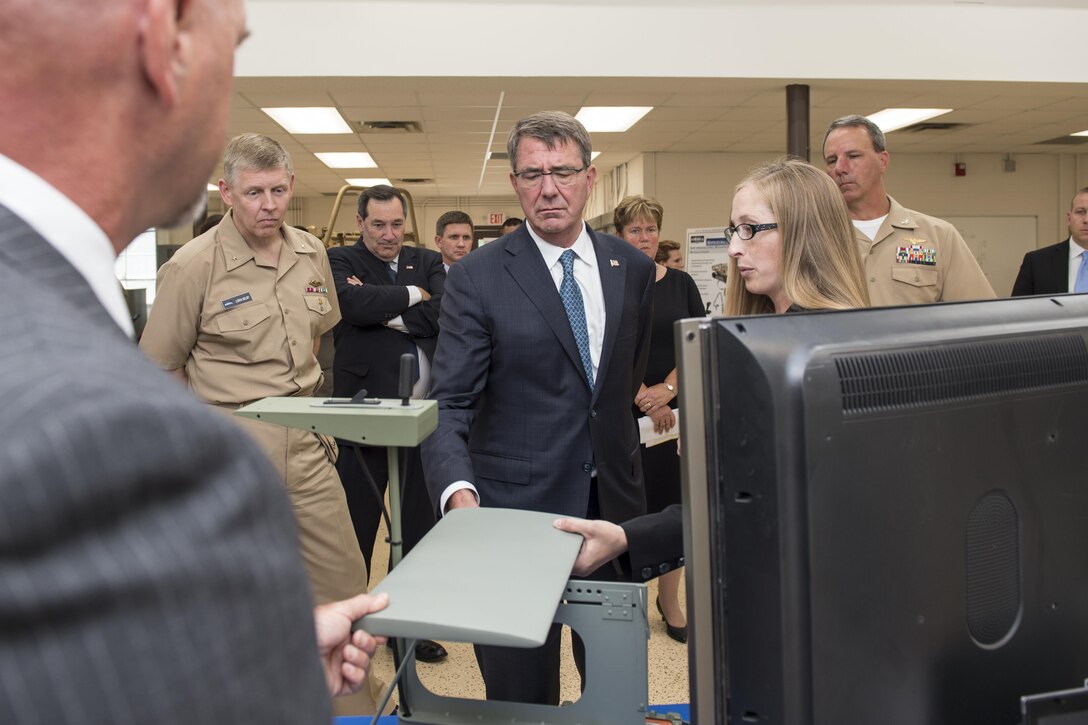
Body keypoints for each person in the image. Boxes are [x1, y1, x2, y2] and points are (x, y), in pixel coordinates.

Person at [0, 1, 383, 722]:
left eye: (278, 190)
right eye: (232, 45)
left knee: (343, 588)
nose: (268, 203)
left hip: (306, 446)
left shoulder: (309, 255)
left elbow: (321, 334)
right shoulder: (191, 268)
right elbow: (160, 369)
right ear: (161, 39)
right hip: (229, 433)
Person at [421, 111, 656, 705]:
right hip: (513, 519)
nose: (548, 189)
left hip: (613, 516)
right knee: (521, 698)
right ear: (514, 182)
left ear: (591, 178)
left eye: (562, 172)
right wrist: (460, 498)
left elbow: (617, 387)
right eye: (532, 174)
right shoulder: (477, 277)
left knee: (615, 691)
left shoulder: (632, 268)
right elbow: (450, 403)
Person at [556, 157, 869, 579]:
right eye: (733, 230)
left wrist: (632, 537)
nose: (735, 248)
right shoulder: (765, 338)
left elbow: (785, 503)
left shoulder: (819, 352)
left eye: (751, 229)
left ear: (804, 233)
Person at [327, 184, 448, 663]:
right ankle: (350, 624)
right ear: (360, 223)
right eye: (378, 224)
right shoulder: (340, 260)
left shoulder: (429, 261)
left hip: (422, 421)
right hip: (363, 417)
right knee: (356, 527)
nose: (389, 234)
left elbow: (444, 313)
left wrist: (388, 309)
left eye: (397, 224)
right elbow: (351, 307)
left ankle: (408, 628)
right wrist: (412, 298)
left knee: (417, 530)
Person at [614, 195, 703, 644]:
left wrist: (667, 392)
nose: (645, 238)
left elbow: (695, 341)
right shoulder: (611, 281)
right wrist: (642, 397)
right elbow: (604, 349)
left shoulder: (682, 282)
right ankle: (630, 601)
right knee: (631, 511)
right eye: (635, 230)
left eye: (651, 229)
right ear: (620, 235)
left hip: (674, 415)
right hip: (621, 412)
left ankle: (670, 602)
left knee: (674, 506)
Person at [822, 114, 995, 306]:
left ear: (883, 161)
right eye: (831, 160)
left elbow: (979, 313)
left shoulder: (938, 236)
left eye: (853, 156)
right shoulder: (814, 238)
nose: (840, 168)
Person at [1011, 187, 1088, 296]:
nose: (1086, 220)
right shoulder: (1036, 262)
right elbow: (1016, 309)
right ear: (1069, 219)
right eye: (1080, 212)